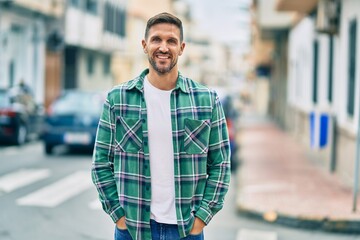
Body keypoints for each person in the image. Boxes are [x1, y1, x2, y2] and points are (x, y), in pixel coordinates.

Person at [91, 12, 231, 240]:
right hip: (133, 230)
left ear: (182, 48)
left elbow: (220, 164)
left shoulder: (206, 101)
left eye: (171, 41)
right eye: (156, 39)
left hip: (186, 231)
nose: (163, 47)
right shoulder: (118, 99)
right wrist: (119, 216)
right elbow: (100, 163)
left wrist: (202, 218)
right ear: (145, 45)